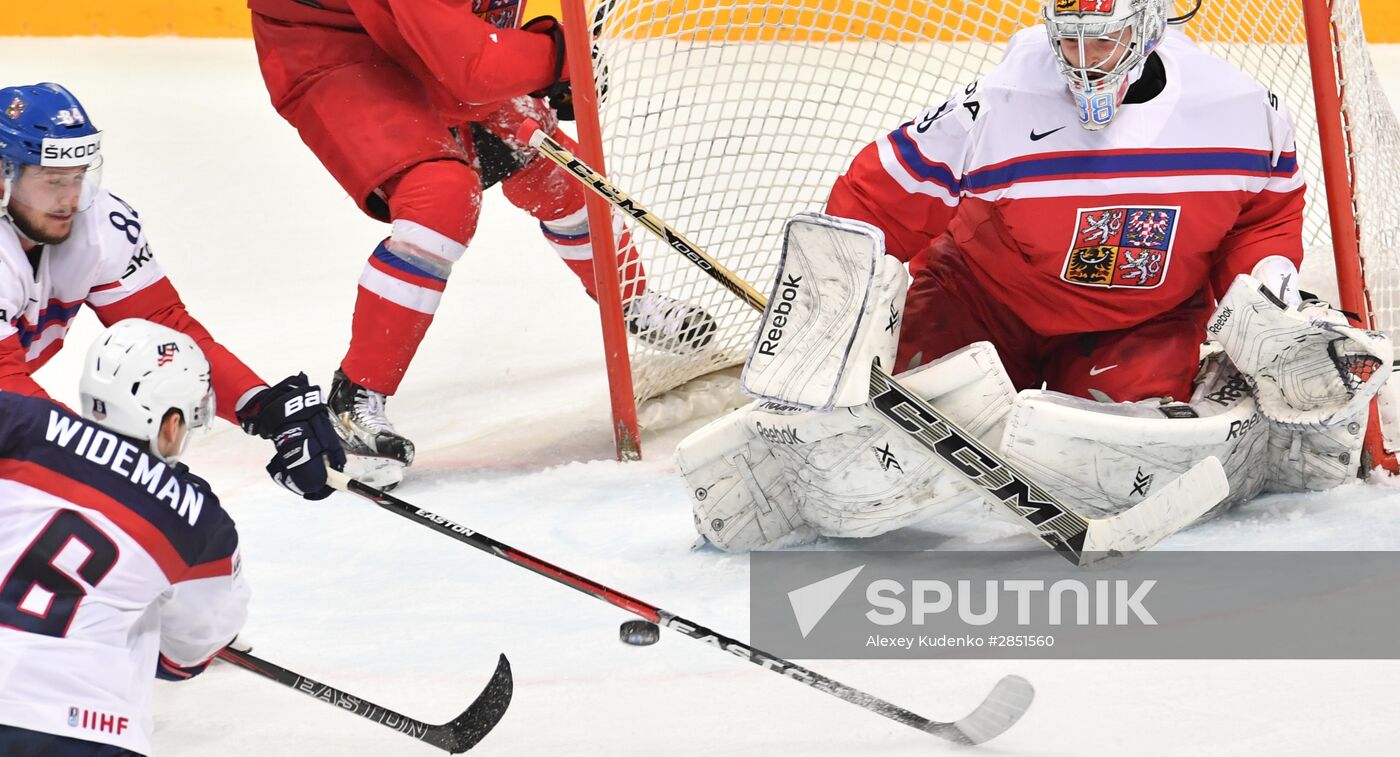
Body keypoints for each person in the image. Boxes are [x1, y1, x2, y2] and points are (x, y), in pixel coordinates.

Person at [673, 0, 1393, 552]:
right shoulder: (1004, 98)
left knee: (1121, 458)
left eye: (1101, 38)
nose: (1081, 59)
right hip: (984, 298)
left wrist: (1264, 292)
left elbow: (1264, 215)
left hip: (1140, 321)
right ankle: (791, 468)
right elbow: (881, 187)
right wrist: (833, 294)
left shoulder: (1240, 112)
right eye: (1067, 37)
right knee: (908, 426)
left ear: (1146, 28)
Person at [246, 0, 717, 486]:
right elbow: (470, 69)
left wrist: (542, 57)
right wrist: (555, 57)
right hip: (335, 46)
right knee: (441, 202)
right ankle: (356, 397)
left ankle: (629, 298)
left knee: (560, 173)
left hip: (427, 33)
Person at [0, 82, 345, 501]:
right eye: (53, 180)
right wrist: (112, 466)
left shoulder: (100, 221)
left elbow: (162, 326)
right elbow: (6, 387)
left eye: (78, 176)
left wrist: (264, 405)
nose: (70, 198)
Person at [0, 319, 250, 756]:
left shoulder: (23, 423)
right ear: (170, 424)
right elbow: (191, 647)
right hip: (79, 725)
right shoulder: (196, 519)